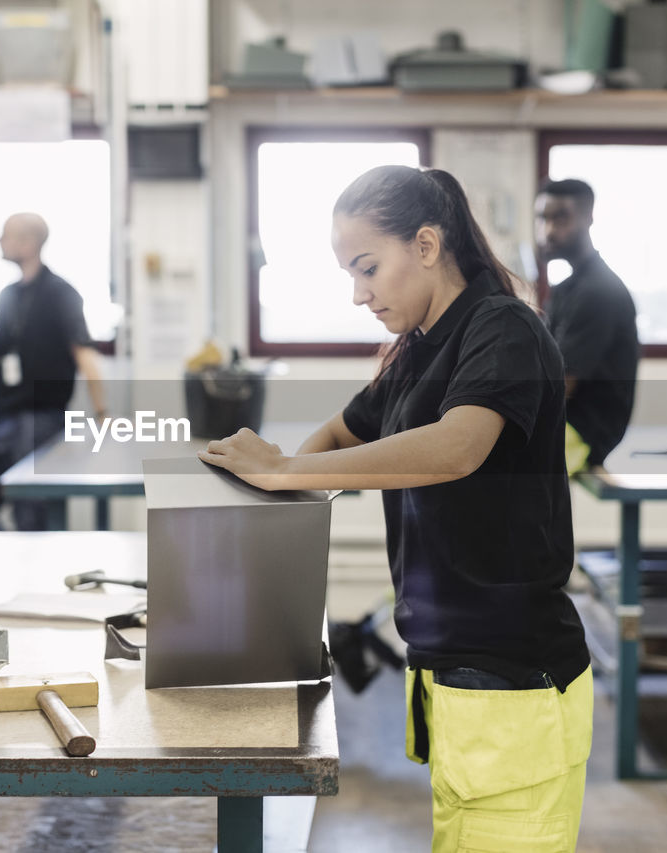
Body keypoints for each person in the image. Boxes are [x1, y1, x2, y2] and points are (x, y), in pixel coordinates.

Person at [198, 166, 592, 852]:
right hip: (454, 675)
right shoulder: (416, 350)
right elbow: (343, 432)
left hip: (514, 678)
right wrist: (266, 499)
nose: (360, 294)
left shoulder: (501, 329)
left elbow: (455, 449)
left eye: (368, 267)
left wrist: (286, 467)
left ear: (429, 245)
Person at [0, 212, 106, 530]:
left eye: (6, 234)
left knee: (33, 510)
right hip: (4, 418)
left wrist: (103, 413)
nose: (0, 241)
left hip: (42, 419)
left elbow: (84, 354)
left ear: (28, 242)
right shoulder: (7, 296)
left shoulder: (61, 293)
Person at [535, 178, 640, 474]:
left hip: (583, 431)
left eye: (561, 218)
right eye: (542, 218)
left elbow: (561, 383)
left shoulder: (598, 291)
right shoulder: (568, 288)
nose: (549, 231)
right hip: (566, 423)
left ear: (588, 219)